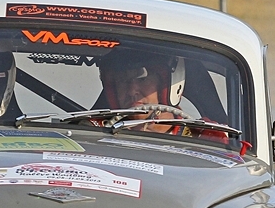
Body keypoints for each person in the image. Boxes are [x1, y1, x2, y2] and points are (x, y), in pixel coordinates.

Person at [96, 49, 228, 143]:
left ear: (169, 84)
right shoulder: (92, 134)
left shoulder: (206, 137)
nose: (131, 91)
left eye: (143, 79)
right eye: (122, 81)